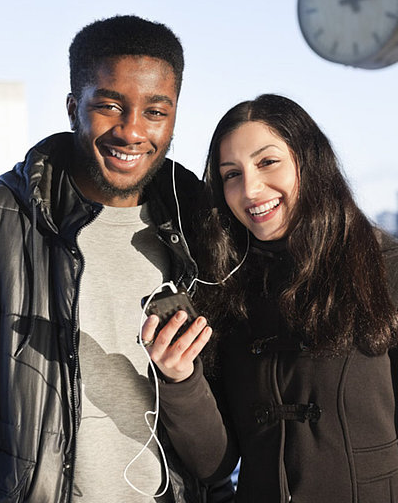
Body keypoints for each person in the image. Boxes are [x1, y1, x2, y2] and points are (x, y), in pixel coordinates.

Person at [0, 15, 232, 503]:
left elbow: (218, 459)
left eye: (154, 112)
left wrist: (181, 380)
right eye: (109, 106)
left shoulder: (206, 233)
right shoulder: (6, 220)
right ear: (72, 108)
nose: (131, 131)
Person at [142, 94, 398, 502]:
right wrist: (181, 381)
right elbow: (215, 463)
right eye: (231, 174)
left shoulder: (384, 268)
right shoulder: (222, 288)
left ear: (309, 160)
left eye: (267, 162)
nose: (250, 189)